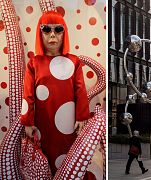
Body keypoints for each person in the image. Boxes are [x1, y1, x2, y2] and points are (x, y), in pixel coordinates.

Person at [20, 11, 91, 177]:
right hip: (43, 123)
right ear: (40, 33)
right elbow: (28, 94)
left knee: (67, 159)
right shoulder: (34, 63)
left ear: (64, 33)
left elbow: (80, 90)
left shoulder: (74, 61)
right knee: (45, 161)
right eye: (46, 29)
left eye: (58, 29)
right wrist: (28, 122)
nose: (52, 35)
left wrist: (81, 117)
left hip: (68, 125)